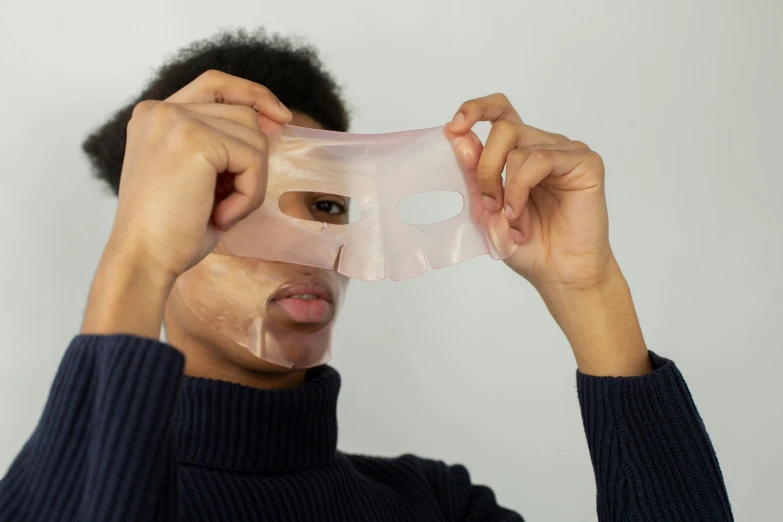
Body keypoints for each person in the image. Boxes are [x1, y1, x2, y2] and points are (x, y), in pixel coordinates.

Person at [0, 29, 733, 521]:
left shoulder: (431, 506)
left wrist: (589, 289)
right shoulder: (53, 489)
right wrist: (136, 263)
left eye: (331, 206)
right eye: (244, 202)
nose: (313, 245)